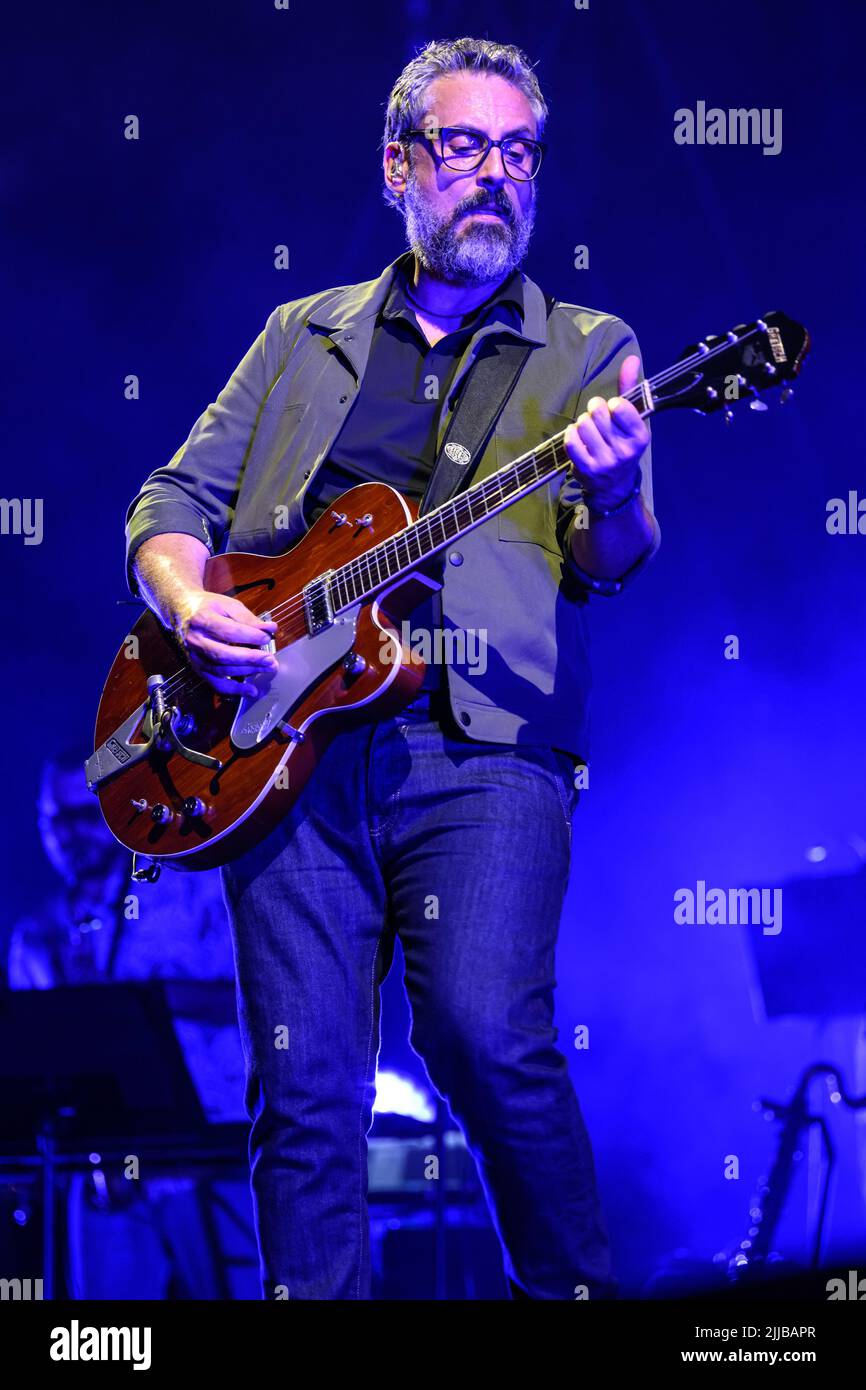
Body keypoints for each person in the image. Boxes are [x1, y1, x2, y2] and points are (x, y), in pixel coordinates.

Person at [124, 36, 661, 1300]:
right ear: (397, 165)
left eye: (518, 152)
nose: (495, 176)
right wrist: (188, 597)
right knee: (304, 1089)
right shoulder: (300, 334)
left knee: (486, 1037)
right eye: (464, 146)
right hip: (278, 748)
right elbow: (171, 498)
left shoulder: (587, 347)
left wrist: (620, 484)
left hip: (479, 743)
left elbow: (613, 556)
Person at [8, 744, 258, 1299]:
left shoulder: (198, 890)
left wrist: (141, 1005)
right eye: (51, 818)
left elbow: (258, 1000)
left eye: (81, 814)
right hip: (105, 1169)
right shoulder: (38, 932)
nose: (66, 833)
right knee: (106, 1341)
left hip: (212, 1149)